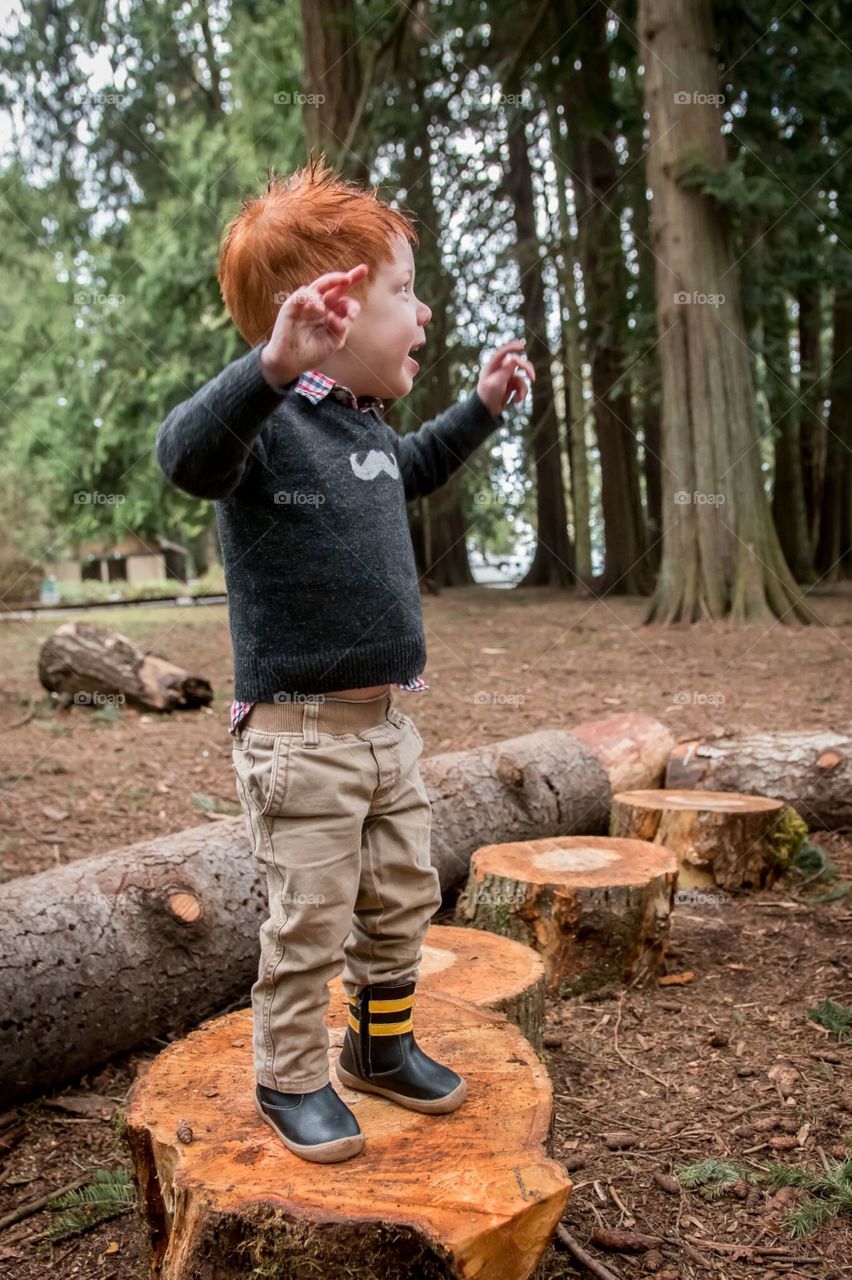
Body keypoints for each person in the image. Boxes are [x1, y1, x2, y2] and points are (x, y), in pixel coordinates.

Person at [155, 153, 534, 1163]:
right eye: (403, 294)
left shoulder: (365, 431)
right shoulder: (266, 427)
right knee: (309, 915)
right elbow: (184, 456)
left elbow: (413, 468)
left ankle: (379, 1046)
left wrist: (483, 409)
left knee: (401, 895)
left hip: (386, 730)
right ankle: (290, 1077)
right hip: (301, 737)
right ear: (326, 312)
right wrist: (270, 368)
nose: (420, 317)